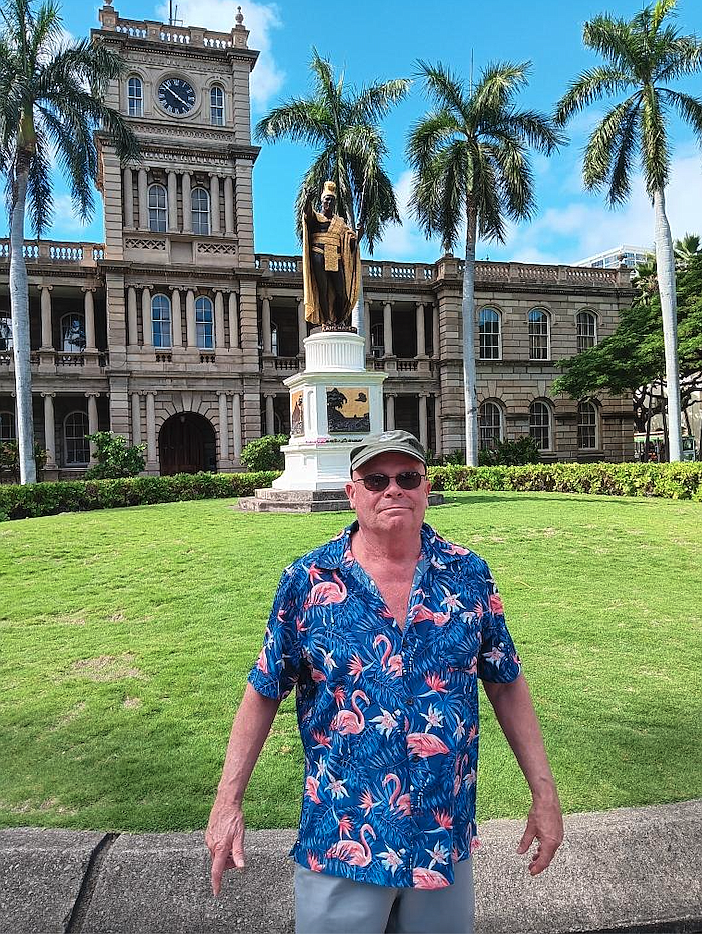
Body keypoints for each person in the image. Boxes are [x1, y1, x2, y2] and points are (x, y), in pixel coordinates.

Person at [206, 430, 563, 934]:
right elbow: (265, 689)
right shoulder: (309, 580)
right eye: (376, 479)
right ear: (352, 492)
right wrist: (228, 802)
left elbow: (505, 681)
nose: (392, 489)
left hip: (441, 839)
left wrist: (544, 793)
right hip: (343, 838)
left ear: (425, 487)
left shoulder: (468, 574)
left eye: (406, 477)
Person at [301, 180, 362, 329]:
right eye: (326, 199)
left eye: (331, 200)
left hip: (336, 257)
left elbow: (351, 245)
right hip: (318, 255)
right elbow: (307, 213)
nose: (329, 202)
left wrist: (360, 234)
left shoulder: (340, 222)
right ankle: (327, 320)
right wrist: (308, 199)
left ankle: (339, 320)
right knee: (323, 289)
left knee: (341, 293)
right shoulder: (316, 217)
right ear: (321, 201)